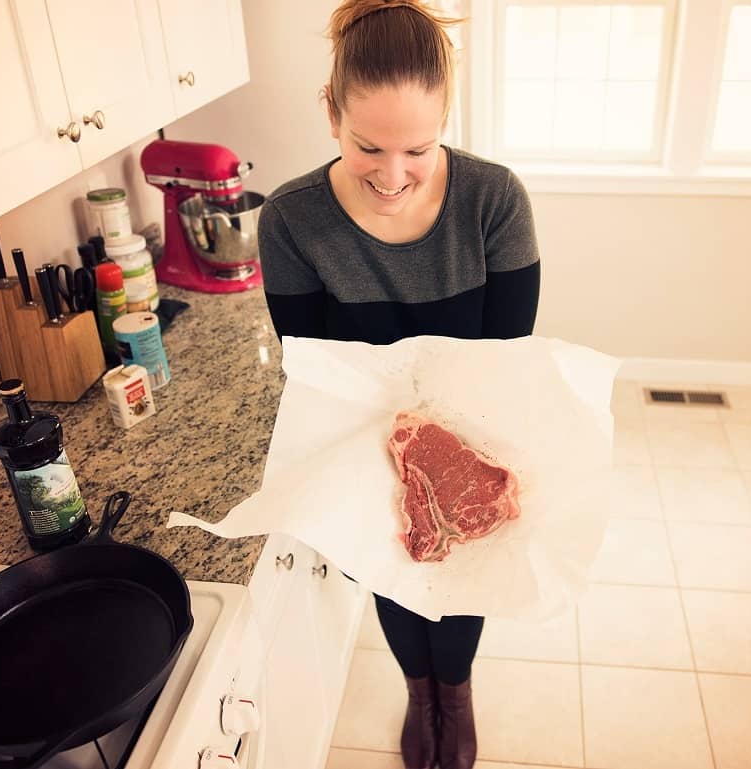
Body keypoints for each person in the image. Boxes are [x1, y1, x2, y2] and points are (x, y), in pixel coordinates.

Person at [257, 2, 540, 768]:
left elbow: (507, 358)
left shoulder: (494, 201)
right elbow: (311, 365)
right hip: (361, 438)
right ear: (331, 113)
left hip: (472, 431)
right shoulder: (292, 221)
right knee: (394, 572)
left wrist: (449, 462)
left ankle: (457, 690)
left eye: (418, 147)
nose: (391, 175)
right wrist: (393, 456)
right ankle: (419, 689)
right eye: (366, 146)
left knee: (462, 570)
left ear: (449, 115)